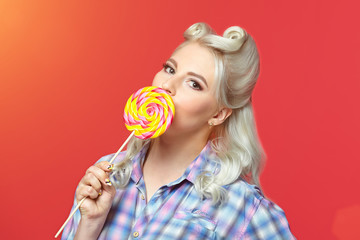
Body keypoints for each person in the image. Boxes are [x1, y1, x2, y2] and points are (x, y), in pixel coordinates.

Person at [61, 22, 295, 239]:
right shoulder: (106, 177)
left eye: (194, 84)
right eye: (170, 69)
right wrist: (90, 225)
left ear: (218, 114)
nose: (167, 86)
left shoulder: (240, 206)